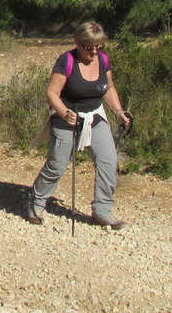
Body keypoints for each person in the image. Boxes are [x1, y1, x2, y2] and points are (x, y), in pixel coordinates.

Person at [26, 21, 131, 229]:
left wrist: (118, 111)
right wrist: (65, 113)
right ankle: (36, 202)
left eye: (98, 46)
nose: (93, 52)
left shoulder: (103, 60)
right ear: (78, 43)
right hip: (67, 115)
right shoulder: (67, 60)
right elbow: (51, 93)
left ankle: (102, 210)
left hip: (94, 115)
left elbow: (108, 87)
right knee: (57, 164)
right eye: (88, 47)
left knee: (108, 161)